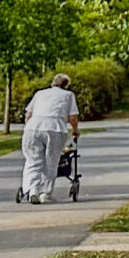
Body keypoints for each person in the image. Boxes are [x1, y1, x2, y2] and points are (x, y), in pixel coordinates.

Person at [20, 72, 80, 205]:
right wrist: (75, 131)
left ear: (53, 82)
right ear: (66, 85)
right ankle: (45, 193)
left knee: (32, 160)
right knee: (51, 161)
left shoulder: (40, 93)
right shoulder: (68, 95)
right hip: (55, 128)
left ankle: (32, 190)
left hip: (33, 128)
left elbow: (28, 115)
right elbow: (73, 118)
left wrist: (30, 127)